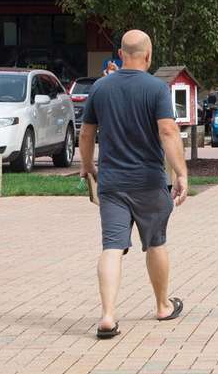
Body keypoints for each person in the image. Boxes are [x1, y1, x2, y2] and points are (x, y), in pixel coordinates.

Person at [78, 30, 188, 339]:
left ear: (121, 54)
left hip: (112, 183)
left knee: (112, 246)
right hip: (150, 182)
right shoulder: (156, 88)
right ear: (149, 55)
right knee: (156, 242)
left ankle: (108, 315)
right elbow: (167, 131)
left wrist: (88, 166)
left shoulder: (100, 88)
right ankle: (163, 305)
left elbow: (86, 134)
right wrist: (181, 172)